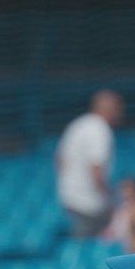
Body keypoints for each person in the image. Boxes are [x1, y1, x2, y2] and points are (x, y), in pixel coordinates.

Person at [55, 89, 124, 238]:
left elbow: (59, 160)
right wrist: (110, 198)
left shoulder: (78, 125)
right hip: (89, 203)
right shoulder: (99, 129)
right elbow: (96, 170)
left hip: (69, 198)